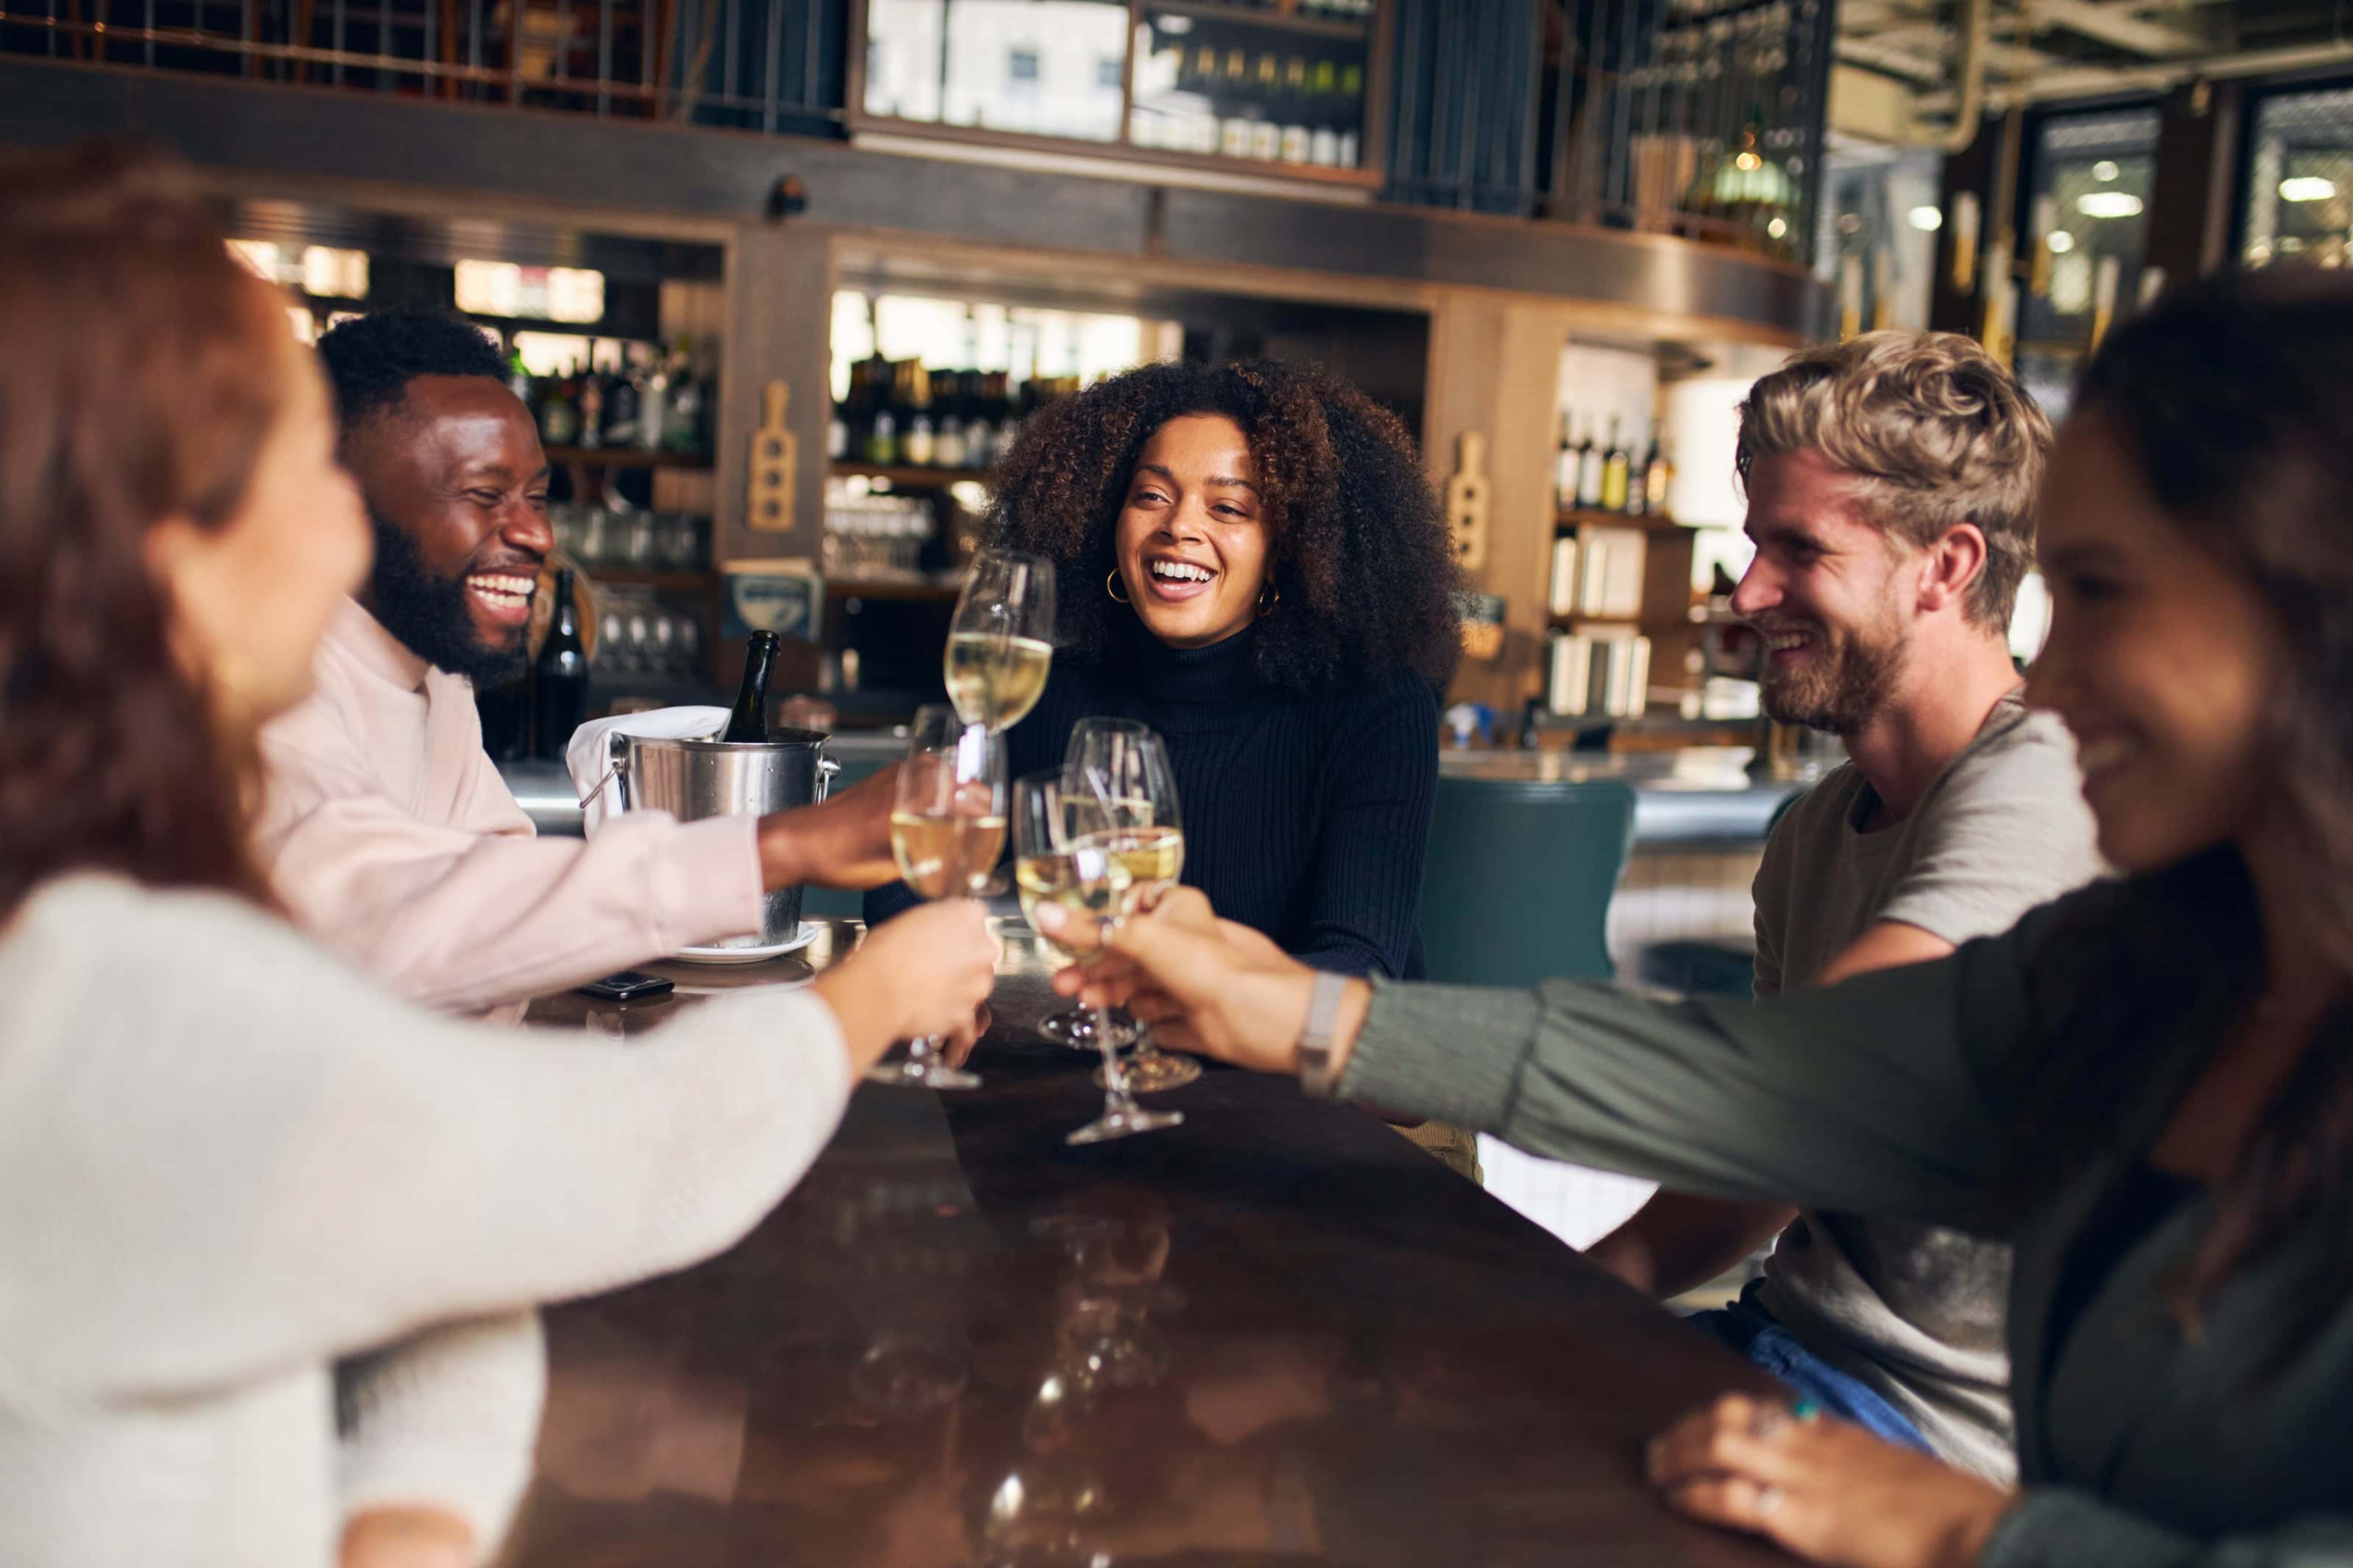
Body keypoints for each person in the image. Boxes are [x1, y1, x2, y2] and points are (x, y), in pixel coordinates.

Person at [1043, 269, 2353, 1566]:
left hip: (1900, 1446)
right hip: (1791, 1369)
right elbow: (1791, 1094)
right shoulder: (2150, 964)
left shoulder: (2050, 821)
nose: (2052, 676)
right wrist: (1311, 1019)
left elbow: (1811, 1093)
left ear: (2310, 609)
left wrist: (1976, 1533)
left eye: (2105, 591)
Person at [0, 144, 997, 1568]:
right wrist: (868, 990)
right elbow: (624, 1157)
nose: (344, 529)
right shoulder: (106, 986)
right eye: (301, 469)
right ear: (170, 551)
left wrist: (412, 1519)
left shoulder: (104, 892)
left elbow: (405, 1224)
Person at [1580, 332, 2099, 1480]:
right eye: (1753, 540)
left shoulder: (2045, 787)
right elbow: (1761, 1172)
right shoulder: (1813, 831)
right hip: (1782, 1349)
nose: (1747, 590)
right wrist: (1566, 1295)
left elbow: (1796, 1091)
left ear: (1946, 567)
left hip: (1939, 1446)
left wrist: (1342, 1031)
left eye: (1796, 548)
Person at [253, 306, 904, 1017]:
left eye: (536, 497)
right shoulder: (262, 688)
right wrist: (779, 848)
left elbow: (492, 877)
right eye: (483, 495)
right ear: (337, 507)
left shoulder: (431, 670)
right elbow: (383, 923)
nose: (536, 533)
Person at [868, 358, 1463, 983]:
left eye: (1229, 508)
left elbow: (1359, 965)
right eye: (1151, 496)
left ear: (1292, 546)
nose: (1179, 526)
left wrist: (1191, 989)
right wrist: (952, 969)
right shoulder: (1041, 687)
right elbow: (900, 877)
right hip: (1091, 1057)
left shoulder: (1375, 706)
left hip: (1284, 1073)